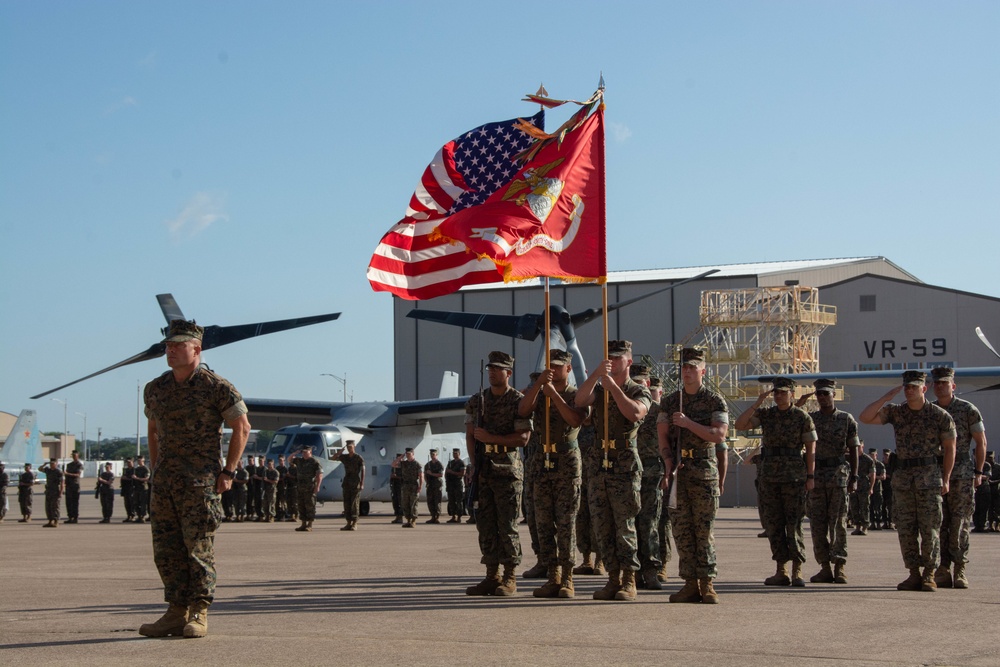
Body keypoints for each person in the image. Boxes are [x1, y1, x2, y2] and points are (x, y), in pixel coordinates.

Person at [139, 319, 251, 639]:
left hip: (200, 483)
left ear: (196, 349)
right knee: (166, 549)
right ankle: (175, 610)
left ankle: (199, 611)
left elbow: (241, 426)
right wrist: (156, 468)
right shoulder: (155, 388)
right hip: (165, 483)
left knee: (198, 549)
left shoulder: (216, 387)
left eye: (178, 345)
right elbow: (153, 430)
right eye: (168, 346)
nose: (170, 350)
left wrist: (228, 471)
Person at [859, 370, 956, 592]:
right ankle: (913, 573)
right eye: (906, 387)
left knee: (930, 529)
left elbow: (950, 449)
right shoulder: (897, 412)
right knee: (905, 529)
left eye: (914, 386)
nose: (909, 390)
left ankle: (929, 574)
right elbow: (865, 417)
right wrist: (885, 398)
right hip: (903, 480)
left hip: (929, 478)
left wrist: (947, 478)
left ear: (924, 388)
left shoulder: (939, 415)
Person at [575, 340, 651, 602]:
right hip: (599, 465)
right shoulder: (599, 387)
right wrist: (597, 375)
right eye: (609, 358)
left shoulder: (637, 389)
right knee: (602, 525)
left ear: (628, 362)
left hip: (624, 465)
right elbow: (579, 400)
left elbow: (635, 413)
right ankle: (612, 577)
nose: (612, 362)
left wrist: (614, 390)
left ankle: (629, 579)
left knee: (624, 525)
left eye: (618, 358)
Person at [658, 348, 730, 603]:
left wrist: (689, 424)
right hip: (680, 470)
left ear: (703, 370)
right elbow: (662, 434)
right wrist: (667, 460)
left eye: (692, 367)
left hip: (703, 470)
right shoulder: (670, 401)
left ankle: (707, 583)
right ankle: (689, 583)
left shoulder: (714, 401)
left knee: (704, 530)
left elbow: (718, 435)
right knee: (681, 530)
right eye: (684, 368)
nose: (687, 372)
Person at [518, 349, 587, 599]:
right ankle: (552, 576)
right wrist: (538, 385)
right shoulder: (540, 391)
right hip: (541, 463)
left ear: (568, 369)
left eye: (559, 366)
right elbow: (523, 410)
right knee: (543, 522)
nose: (554, 370)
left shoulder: (576, 394)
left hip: (566, 462)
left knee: (566, 523)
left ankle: (567, 578)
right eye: (551, 366)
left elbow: (576, 419)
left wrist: (554, 395)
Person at [735, 376, 816, 587]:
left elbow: (810, 450)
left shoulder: (802, 417)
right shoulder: (767, 415)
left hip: (794, 477)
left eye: (783, 392)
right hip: (770, 478)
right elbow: (740, 424)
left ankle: (797, 569)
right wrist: (757, 403)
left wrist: (810, 476)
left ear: (791, 394)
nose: (779, 395)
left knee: (794, 524)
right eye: (776, 392)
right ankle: (781, 570)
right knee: (774, 524)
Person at [464, 351, 532, 597]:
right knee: (486, 525)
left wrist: (492, 439)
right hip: (484, 470)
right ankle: (491, 575)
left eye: (497, 369)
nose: (492, 372)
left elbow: (523, 438)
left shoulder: (518, 401)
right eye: (490, 368)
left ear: (508, 373)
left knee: (507, 525)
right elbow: (470, 435)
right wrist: (474, 465)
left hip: (507, 471)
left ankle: (510, 576)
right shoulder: (477, 401)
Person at [930, 366, 988, 589]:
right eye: (937, 383)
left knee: (960, 522)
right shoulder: (930, 411)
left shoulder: (968, 409)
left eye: (945, 383)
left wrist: (979, 472)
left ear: (953, 386)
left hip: (962, 473)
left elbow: (981, 442)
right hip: (935, 474)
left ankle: (960, 568)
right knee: (938, 522)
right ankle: (942, 568)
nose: (940, 387)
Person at [797, 379, 859, 584]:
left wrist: (855, 477)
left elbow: (854, 449)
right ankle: (824, 567)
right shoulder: (811, 418)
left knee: (838, 523)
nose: (822, 397)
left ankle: (839, 566)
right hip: (816, 476)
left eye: (826, 394)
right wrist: (800, 401)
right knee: (817, 524)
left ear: (833, 394)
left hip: (838, 475)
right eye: (819, 394)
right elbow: (792, 417)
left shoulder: (845, 419)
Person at [632, 365, 665, 591]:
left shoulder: (660, 412)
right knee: (629, 524)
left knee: (650, 523)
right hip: (627, 472)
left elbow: (669, 446)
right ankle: (632, 572)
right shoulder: (624, 408)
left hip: (652, 473)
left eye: (643, 382)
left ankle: (651, 570)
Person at [293, 446, 323, 532]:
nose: (304, 454)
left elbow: (320, 474)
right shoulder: (300, 461)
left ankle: (309, 525)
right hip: (300, 488)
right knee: (301, 505)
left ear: (310, 452)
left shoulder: (314, 462)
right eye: (303, 452)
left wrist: (318, 486)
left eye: (306, 452)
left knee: (310, 506)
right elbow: (289, 460)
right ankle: (303, 524)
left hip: (310, 488)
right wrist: (295, 453)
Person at [338, 440, 365, 530]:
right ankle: (348, 523)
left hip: (355, 482)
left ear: (354, 446)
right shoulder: (345, 457)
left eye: (351, 447)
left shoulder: (358, 457)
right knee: (347, 503)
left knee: (354, 503)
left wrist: (362, 483)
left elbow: (363, 470)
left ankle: (354, 523)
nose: (349, 448)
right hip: (346, 483)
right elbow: (333, 457)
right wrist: (340, 451)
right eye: (348, 447)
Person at [850, 448, 876, 535]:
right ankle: (857, 526)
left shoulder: (868, 459)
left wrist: (871, 487)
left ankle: (865, 527)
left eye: (859, 447)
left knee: (864, 507)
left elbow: (873, 475)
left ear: (862, 447)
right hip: (853, 487)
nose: (857, 448)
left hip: (864, 487)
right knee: (854, 507)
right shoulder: (851, 458)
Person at [39, 458, 64, 528]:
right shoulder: (48, 470)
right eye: (50, 463)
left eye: (53, 463)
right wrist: (44, 464)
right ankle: (50, 521)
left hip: (55, 491)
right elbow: (40, 469)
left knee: (55, 507)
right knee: (48, 506)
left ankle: (56, 521)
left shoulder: (58, 472)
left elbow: (62, 483)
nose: (51, 465)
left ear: (56, 464)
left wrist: (61, 492)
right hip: (48, 491)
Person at [445, 448, 466, 523]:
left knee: (458, 501)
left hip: (457, 484)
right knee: (451, 501)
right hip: (450, 484)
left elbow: (462, 473)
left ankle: (459, 517)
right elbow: (447, 472)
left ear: (459, 454)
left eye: (456, 453)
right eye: (454, 453)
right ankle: (453, 516)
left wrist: (452, 472)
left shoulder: (461, 463)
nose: (455, 455)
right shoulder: (450, 463)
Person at [423, 448, 444, 524]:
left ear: (436, 455)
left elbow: (441, 474)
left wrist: (431, 474)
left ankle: (437, 517)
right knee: (430, 501)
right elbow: (425, 474)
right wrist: (427, 481)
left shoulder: (439, 464)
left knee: (437, 501)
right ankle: (432, 516)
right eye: (431, 454)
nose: (432, 456)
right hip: (430, 485)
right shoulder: (427, 465)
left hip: (437, 485)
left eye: (434, 454)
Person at [64, 451, 83, 524]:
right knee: (68, 502)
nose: (74, 457)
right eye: (73, 455)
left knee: (75, 502)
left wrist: (67, 474)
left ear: (78, 456)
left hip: (75, 485)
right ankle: (70, 517)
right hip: (69, 485)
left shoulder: (79, 465)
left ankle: (75, 517)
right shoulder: (69, 465)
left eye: (75, 455)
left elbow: (77, 474)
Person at [869, 448, 886, 530]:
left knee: (878, 506)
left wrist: (874, 477)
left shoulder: (880, 465)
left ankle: (879, 523)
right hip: (868, 488)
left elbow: (883, 477)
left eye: (873, 455)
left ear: (876, 455)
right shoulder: (867, 463)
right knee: (870, 506)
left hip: (878, 489)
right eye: (870, 455)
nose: (872, 456)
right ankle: (872, 523)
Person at [881, 449, 896, 529]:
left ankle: (891, 522)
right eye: (885, 455)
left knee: (891, 506)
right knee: (883, 505)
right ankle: (885, 522)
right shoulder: (881, 465)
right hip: (883, 488)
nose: (886, 457)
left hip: (890, 488)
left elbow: (893, 475)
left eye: (887, 455)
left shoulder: (892, 465)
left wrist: (886, 475)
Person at [133, 456, 150, 523]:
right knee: (136, 503)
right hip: (136, 488)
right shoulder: (136, 469)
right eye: (138, 460)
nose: (139, 461)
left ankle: (143, 516)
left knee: (143, 503)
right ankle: (139, 516)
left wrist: (137, 478)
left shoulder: (146, 469)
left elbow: (146, 478)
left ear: (143, 461)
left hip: (143, 488)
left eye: (140, 460)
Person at [389, 452, 404, 524]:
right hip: (394, 486)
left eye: (400, 458)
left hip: (401, 487)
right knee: (395, 502)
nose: (398, 460)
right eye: (397, 458)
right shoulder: (394, 467)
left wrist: (396, 477)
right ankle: (397, 516)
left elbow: (405, 477)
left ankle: (400, 517)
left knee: (401, 502)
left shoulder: (404, 467)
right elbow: (391, 476)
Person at [121, 457, 136, 522]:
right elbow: (122, 478)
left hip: (132, 488)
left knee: (132, 502)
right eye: (127, 462)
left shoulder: (135, 470)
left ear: (132, 462)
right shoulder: (125, 470)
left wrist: (126, 478)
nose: (128, 463)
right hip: (126, 488)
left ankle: (133, 516)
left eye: (129, 462)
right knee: (127, 503)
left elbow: (133, 479)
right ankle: (128, 515)